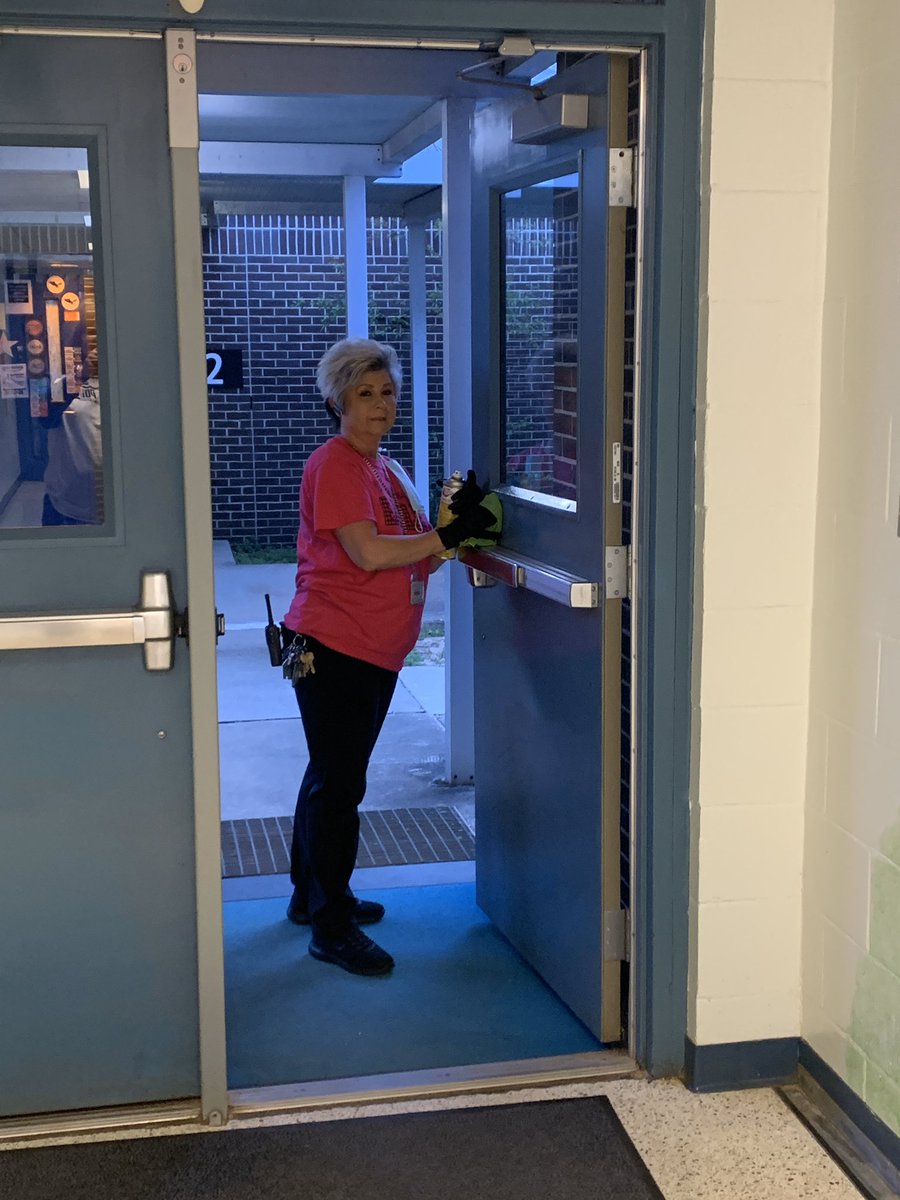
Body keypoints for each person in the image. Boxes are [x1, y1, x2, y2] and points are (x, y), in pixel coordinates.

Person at [282, 338, 498, 976]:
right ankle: (331, 927)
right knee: (339, 785)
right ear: (337, 401)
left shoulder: (384, 469)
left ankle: (313, 896)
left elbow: (417, 555)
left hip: (374, 650)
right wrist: (447, 534)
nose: (380, 405)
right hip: (334, 644)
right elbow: (369, 554)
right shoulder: (337, 465)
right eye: (364, 394)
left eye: (388, 392)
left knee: (329, 775)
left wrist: (454, 534)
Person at [42, 347, 102, 526]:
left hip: (84, 497)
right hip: (67, 499)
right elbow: (45, 418)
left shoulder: (129, 390)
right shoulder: (67, 390)